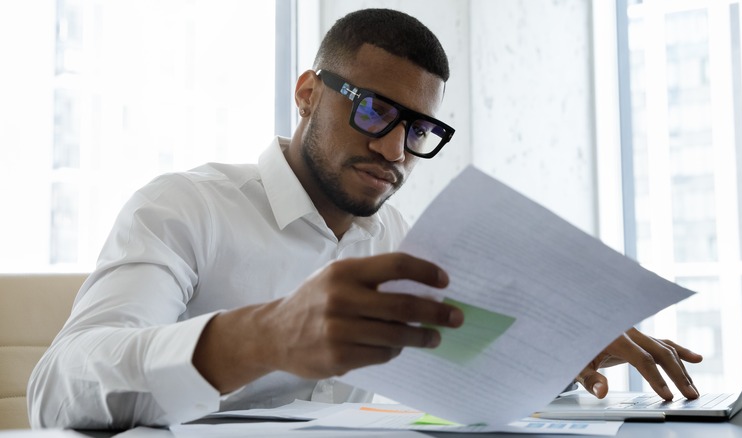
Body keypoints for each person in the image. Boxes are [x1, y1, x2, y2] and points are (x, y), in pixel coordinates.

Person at [28, 8, 703, 429]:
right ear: (307, 93)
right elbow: (57, 391)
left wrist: (556, 352)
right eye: (375, 111)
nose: (393, 149)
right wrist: (264, 336)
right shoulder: (183, 208)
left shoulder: (402, 239)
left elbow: (454, 367)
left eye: (418, 130)